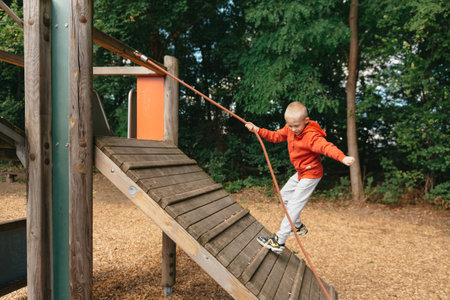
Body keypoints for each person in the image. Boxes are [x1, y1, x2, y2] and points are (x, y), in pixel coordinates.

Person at [245, 101, 355, 254]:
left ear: (306, 120)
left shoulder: (311, 136)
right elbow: (275, 136)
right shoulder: (290, 129)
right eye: (290, 125)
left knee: (294, 204)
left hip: (312, 173)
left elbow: (326, 147)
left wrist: (342, 158)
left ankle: (279, 240)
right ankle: (297, 226)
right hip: (301, 172)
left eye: (296, 126)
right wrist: (257, 129)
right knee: (284, 196)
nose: (293, 129)